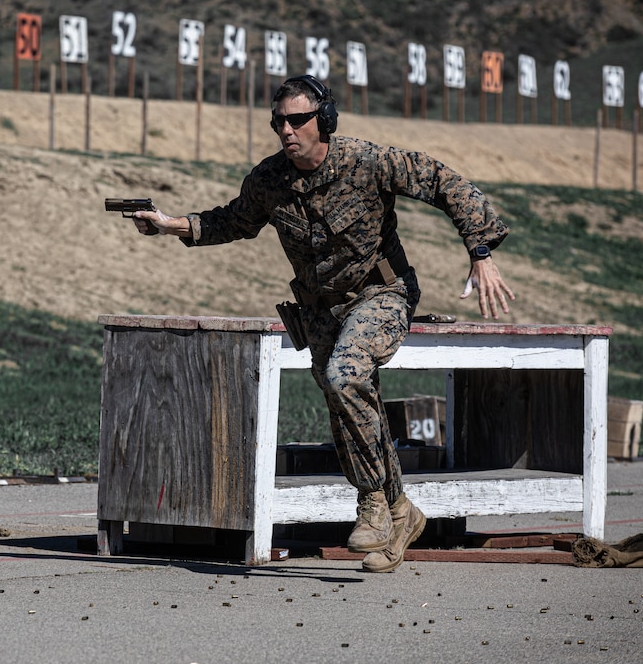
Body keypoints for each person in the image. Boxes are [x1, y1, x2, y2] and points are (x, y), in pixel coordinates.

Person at [131, 74, 515, 573]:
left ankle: (374, 504)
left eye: (298, 120)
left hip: (383, 293)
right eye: (279, 122)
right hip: (319, 310)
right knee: (349, 407)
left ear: (325, 121)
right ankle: (402, 515)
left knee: (345, 376)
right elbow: (235, 221)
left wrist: (480, 250)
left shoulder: (366, 161)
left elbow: (445, 182)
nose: (287, 131)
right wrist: (171, 224)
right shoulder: (270, 179)